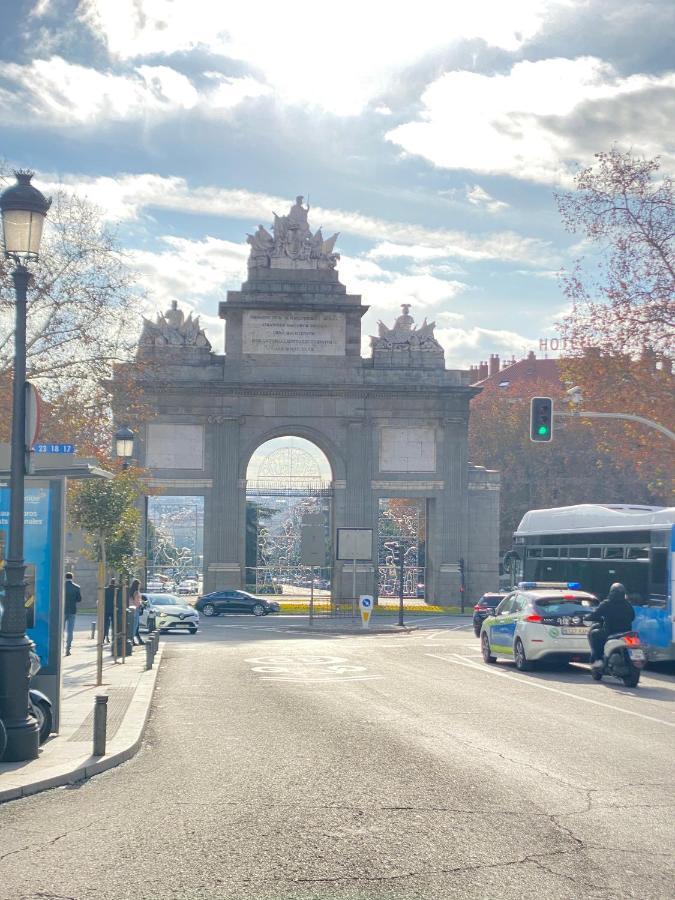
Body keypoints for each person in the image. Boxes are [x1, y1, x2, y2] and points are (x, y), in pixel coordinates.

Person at [586, 582, 635, 670]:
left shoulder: (607, 603)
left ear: (611, 592)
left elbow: (594, 615)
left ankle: (598, 659)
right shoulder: (627, 604)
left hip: (610, 632)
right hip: (626, 632)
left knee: (594, 634)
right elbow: (632, 617)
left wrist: (587, 617)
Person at [64, 572, 82, 656]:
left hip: (62, 611)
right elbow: (79, 599)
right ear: (72, 577)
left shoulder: (61, 587)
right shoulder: (76, 587)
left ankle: (60, 647)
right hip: (72, 611)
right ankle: (68, 649)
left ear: (65, 577)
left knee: (61, 630)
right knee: (70, 631)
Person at [128, 578, 144, 645]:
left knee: (133, 625)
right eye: (139, 585)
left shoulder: (131, 591)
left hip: (131, 608)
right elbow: (137, 602)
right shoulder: (136, 592)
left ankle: (133, 640)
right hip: (136, 609)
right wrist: (141, 603)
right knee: (135, 625)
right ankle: (131, 640)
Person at [104, 577, 116, 644]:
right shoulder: (116, 590)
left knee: (106, 624)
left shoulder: (105, 590)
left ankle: (105, 636)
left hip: (106, 609)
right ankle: (113, 637)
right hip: (113, 609)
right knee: (114, 625)